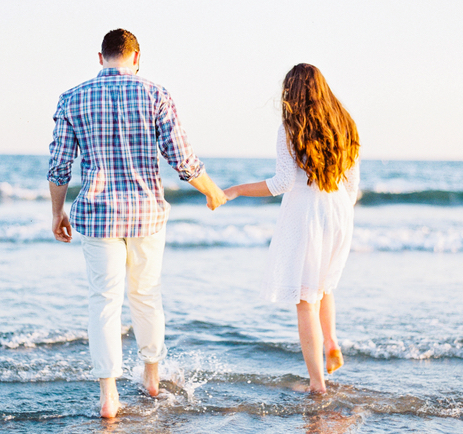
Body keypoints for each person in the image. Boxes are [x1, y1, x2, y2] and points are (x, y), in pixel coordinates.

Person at [47, 29, 228, 418]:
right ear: (136, 56)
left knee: (104, 301)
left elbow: (59, 165)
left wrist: (56, 212)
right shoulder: (156, 94)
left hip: (96, 215)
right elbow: (181, 156)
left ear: (101, 58)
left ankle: (109, 396)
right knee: (146, 295)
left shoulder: (72, 98)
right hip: (146, 214)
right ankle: (150, 376)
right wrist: (211, 190)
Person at [224, 63, 360, 393]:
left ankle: (317, 384)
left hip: (307, 213)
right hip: (340, 211)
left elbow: (282, 183)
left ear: (292, 92)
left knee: (305, 300)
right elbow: (352, 188)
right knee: (324, 286)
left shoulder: (291, 127)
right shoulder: (346, 124)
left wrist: (237, 189)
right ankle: (331, 342)